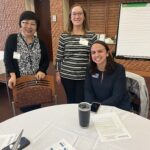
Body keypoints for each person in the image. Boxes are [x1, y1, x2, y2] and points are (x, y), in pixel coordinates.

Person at [4, 11, 50, 111]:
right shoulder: (12, 39)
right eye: (25, 22)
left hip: (36, 81)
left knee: (37, 105)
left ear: (36, 27)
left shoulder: (40, 42)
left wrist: (42, 70)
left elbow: (46, 60)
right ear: (20, 24)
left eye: (33, 24)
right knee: (24, 107)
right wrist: (12, 75)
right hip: (20, 82)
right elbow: (7, 59)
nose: (29, 26)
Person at [55, 4, 97, 104]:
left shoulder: (91, 36)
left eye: (79, 14)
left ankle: (80, 118)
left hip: (83, 75)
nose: (77, 17)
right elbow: (59, 56)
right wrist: (57, 73)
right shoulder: (64, 35)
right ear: (70, 17)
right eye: (74, 14)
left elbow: (95, 56)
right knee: (70, 99)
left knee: (80, 100)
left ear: (84, 16)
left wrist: (95, 72)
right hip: (66, 75)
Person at [84, 40, 131, 111]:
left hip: (118, 106)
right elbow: (88, 91)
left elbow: (117, 96)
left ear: (107, 53)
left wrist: (99, 107)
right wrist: (93, 105)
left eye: (100, 51)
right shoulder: (89, 68)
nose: (96, 55)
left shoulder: (119, 69)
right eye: (93, 52)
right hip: (97, 105)